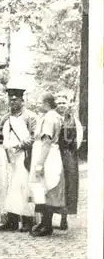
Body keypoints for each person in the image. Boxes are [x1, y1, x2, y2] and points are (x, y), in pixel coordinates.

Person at [0, 88, 39, 232]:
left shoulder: (30, 117)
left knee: (24, 187)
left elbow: (34, 137)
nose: (12, 102)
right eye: (10, 99)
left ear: (22, 100)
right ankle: (11, 221)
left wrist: (20, 145)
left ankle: (27, 221)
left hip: (23, 156)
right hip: (8, 158)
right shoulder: (6, 118)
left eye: (15, 99)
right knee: (8, 187)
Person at [29, 93, 66, 237]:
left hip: (48, 156)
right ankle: (44, 222)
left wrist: (40, 164)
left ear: (47, 103)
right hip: (48, 154)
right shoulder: (51, 116)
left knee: (47, 188)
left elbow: (46, 142)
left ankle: (47, 224)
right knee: (43, 189)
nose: (38, 105)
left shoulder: (50, 118)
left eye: (40, 102)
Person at [54, 92, 82, 230]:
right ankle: (48, 217)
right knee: (53, 184)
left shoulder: (73, 120)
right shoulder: (52, 118)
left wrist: (70, 152)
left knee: (68, 186)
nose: (61, 106)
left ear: (68, 104)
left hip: (68, 156)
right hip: (54, 155)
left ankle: (64, 218)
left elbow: (79, 140)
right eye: (58, 103)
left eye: (63, 103)